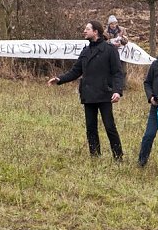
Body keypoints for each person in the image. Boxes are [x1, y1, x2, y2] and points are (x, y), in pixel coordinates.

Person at [48, 21, 125, 160]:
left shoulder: (110, 50)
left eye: (87, 29)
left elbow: (118, 73)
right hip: (88, 95)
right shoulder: (85, 51)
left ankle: (118, 157)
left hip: (104, 94)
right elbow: (75, 71)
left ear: (95, 32)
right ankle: (95, 156)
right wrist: (60, 79)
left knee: (110, 127)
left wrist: (117, 91)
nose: (84, 31)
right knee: (91, 128)